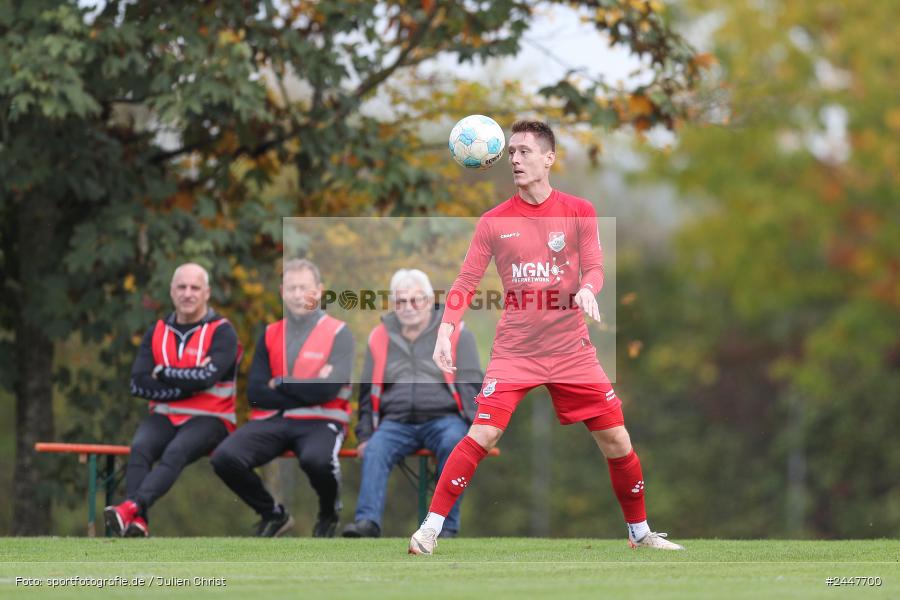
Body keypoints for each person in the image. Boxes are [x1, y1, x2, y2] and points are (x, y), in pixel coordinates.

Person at [408, 120, 684, 554]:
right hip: (516, 351)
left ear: (549, 158)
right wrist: (446, 328)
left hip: (571, 350)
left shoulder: (578, 211)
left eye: (524, 152)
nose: (514, 159)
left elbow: (594, 266)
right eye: (511, 152)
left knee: (617, 439)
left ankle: (640, 534)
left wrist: (589, 290)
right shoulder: (494, 222)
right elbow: (465, 282)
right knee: (483, 434)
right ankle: (429, 529)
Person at [211, 258, 354, 537]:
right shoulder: (270, 333)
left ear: (320, 290)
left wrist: (281, 384)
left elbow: (328, 391)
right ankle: (272, 514)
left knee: (317, 461)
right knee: (224, 458)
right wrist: (307, 388)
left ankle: (328, 513)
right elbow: (255, 394)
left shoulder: (340, 333)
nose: (298, 295)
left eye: (305, 288)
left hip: (322, 420)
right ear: (282, 292)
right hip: (273, 420)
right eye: (292, 288)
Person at [341, 269, 482, 538]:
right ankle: (367, 522)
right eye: (401, 301)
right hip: (395, 422)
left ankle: (445, 526)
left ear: (429, 301)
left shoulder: (457, 333)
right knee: (375, 449)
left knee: (454, 443)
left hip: (445, 419)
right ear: (393, 304)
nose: (408, 307)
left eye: (415, 300)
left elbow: (473, 383)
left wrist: (473, 427)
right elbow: (367, 391)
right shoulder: (378, 337)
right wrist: (365, 436)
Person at [105, 263, 241, 537]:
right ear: (171, 291)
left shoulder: (222, 331)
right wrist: (185, 383)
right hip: (166, 414)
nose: (188, 293)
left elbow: (207, 379)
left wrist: (164, 373)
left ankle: (131, 506)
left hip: (212, 418)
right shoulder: (156, 331)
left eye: (195, 288)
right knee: (141, 447)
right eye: (182, 286)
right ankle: (137, 522)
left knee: (175, 451)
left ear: (207, 293)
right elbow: (138, 383)